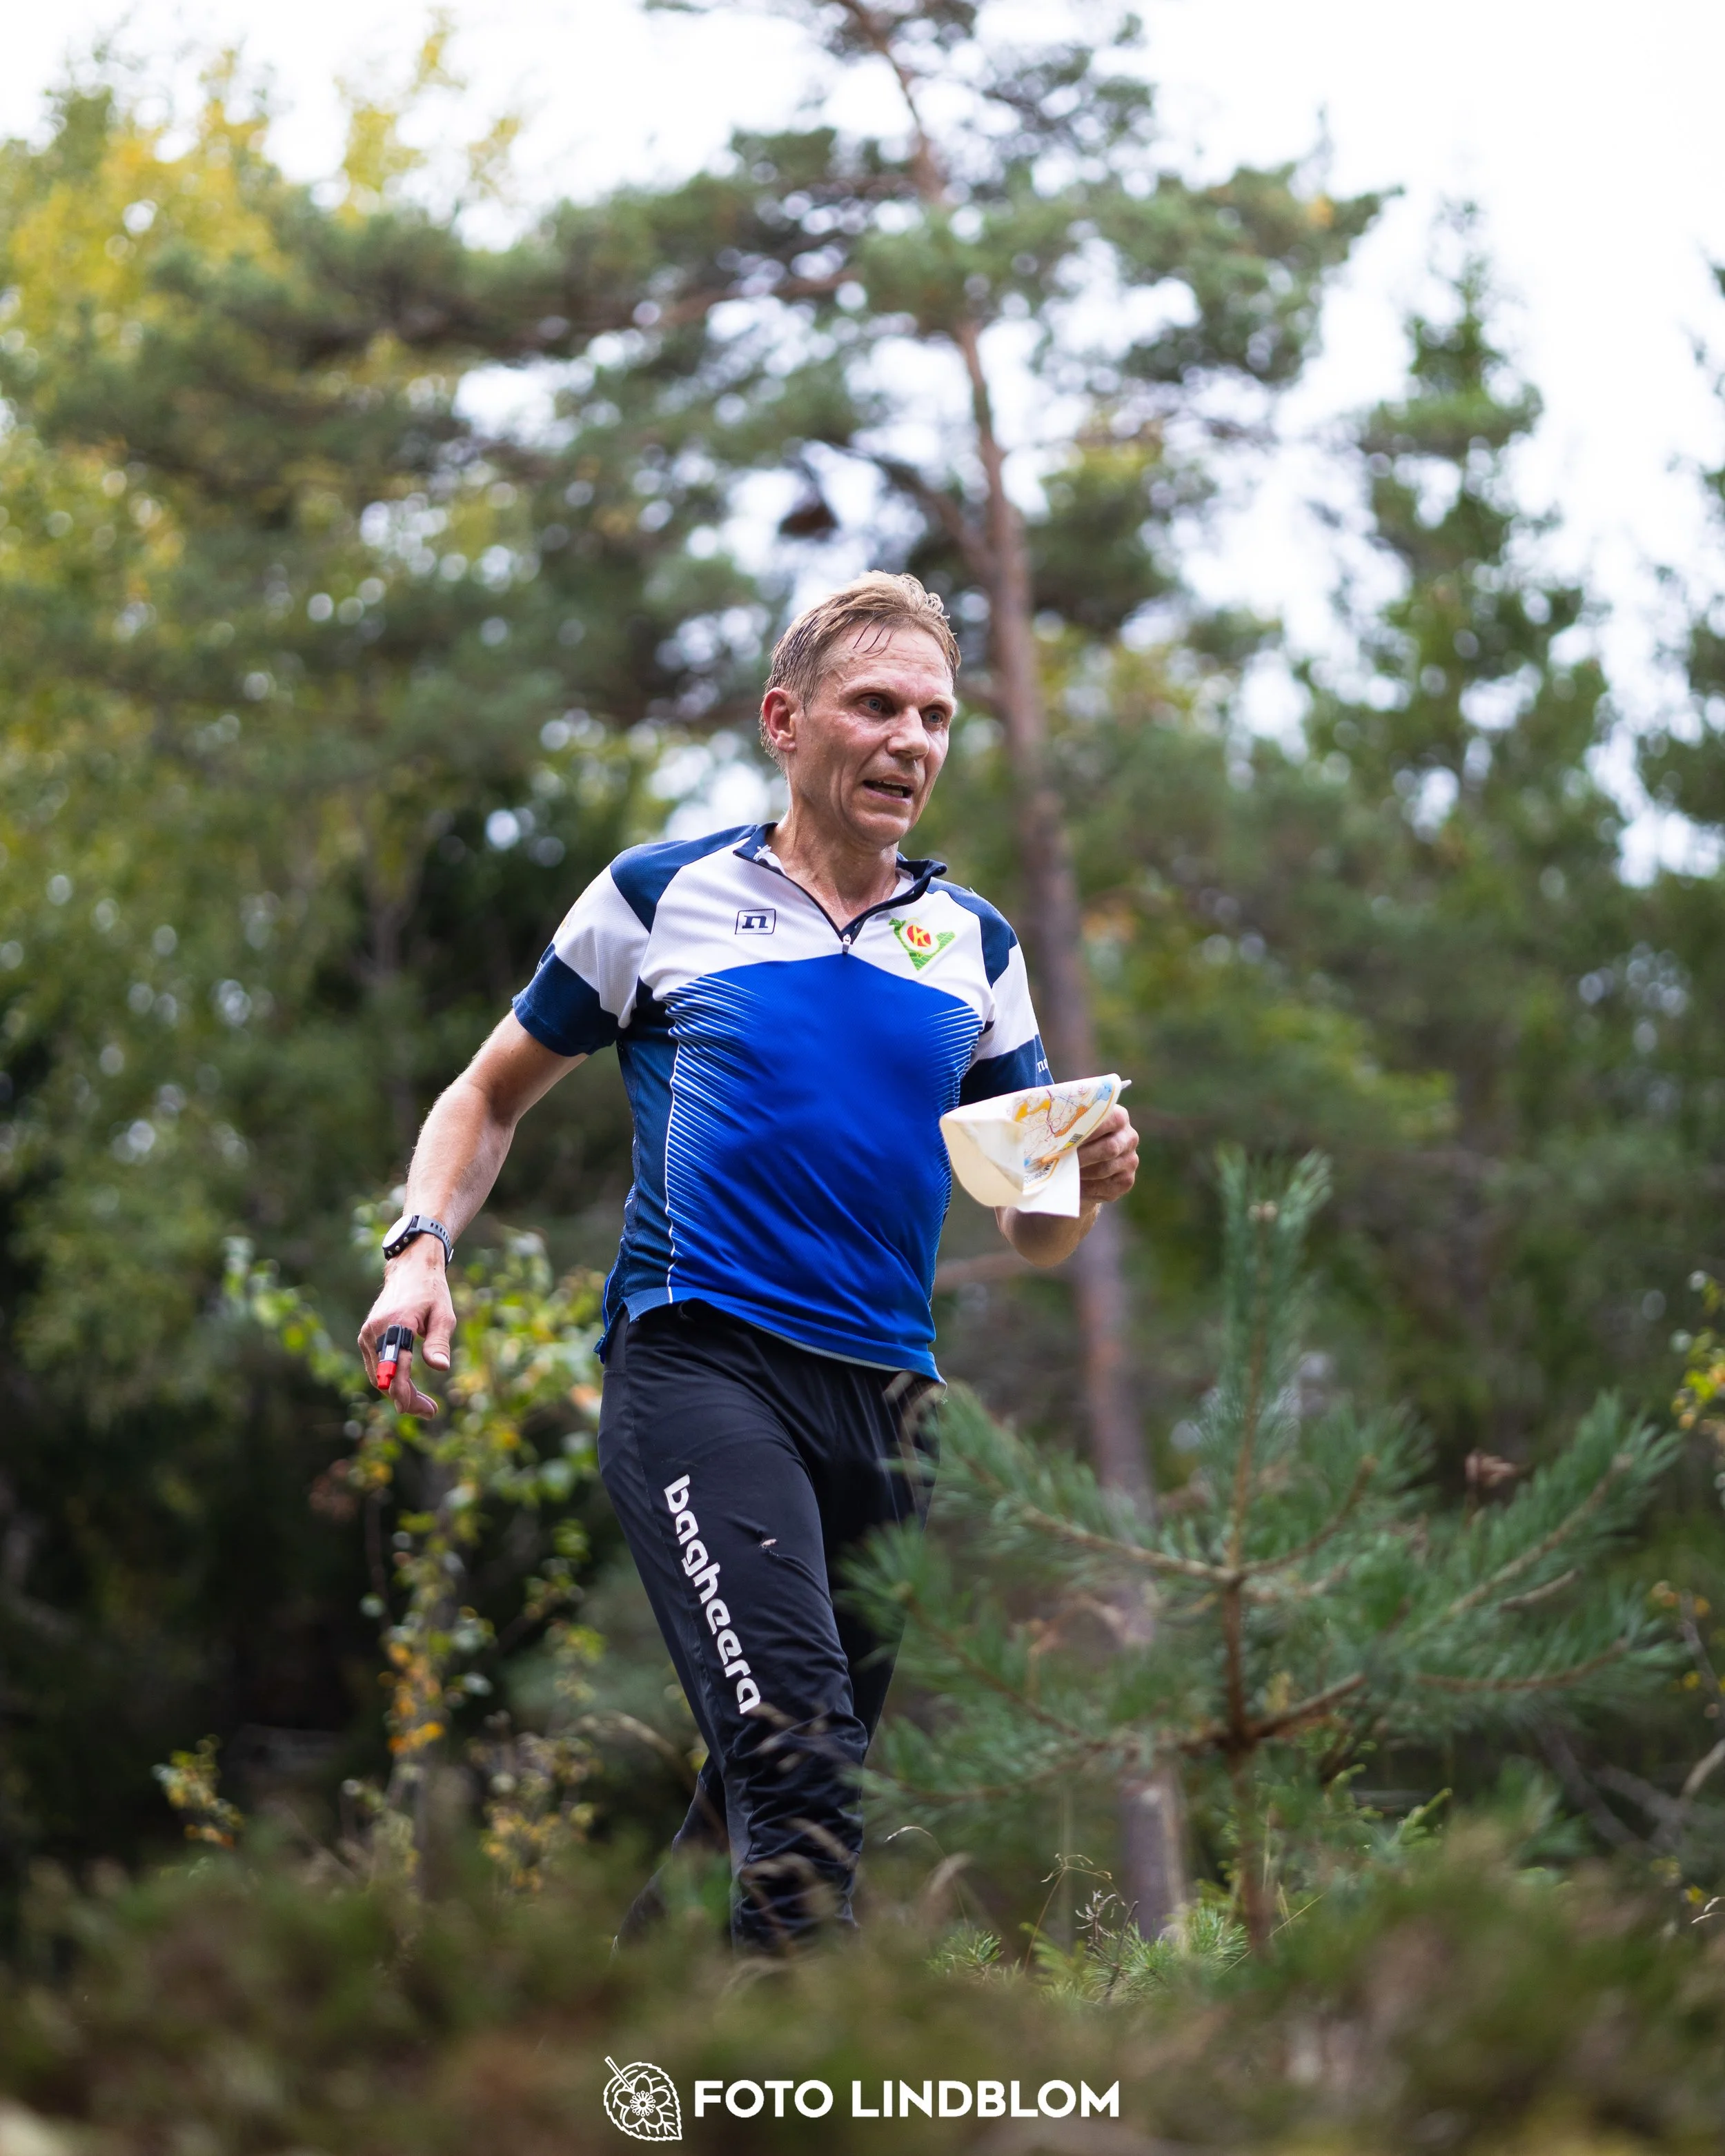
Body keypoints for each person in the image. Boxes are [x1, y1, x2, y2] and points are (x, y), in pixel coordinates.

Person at [358, 573, 1139, 1948]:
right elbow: (486, 1094)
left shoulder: (974, 945)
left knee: (759, 1795)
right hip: (699, 1367)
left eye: (935, 717)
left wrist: (1081, 1182)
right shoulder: (662, 895)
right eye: (876, 705)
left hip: (889, 1407)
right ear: (785, 721)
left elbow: (1030, 1227)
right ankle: (801, 2065)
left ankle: (617, 2037)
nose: (910, 741)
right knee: (801, 1763)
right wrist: (420, 1246)